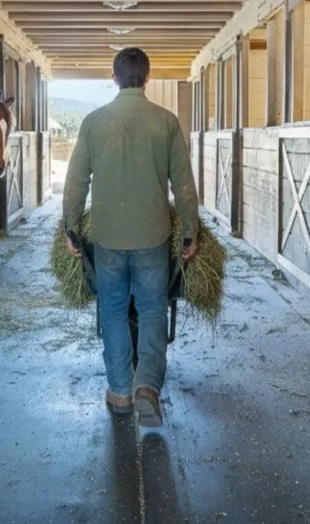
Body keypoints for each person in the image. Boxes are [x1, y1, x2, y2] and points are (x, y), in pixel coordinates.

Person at [62, 47, 199, 427]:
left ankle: (120, 391)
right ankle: (147, 388)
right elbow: (183, 184)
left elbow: (76, 181)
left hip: (107, 236)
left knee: (113, 309)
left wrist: (71, 227)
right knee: (153, 309)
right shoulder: (166, 122)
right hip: (153, 235)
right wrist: (190, 230)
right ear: (148, 78)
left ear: (114, 78)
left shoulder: (93, 122)